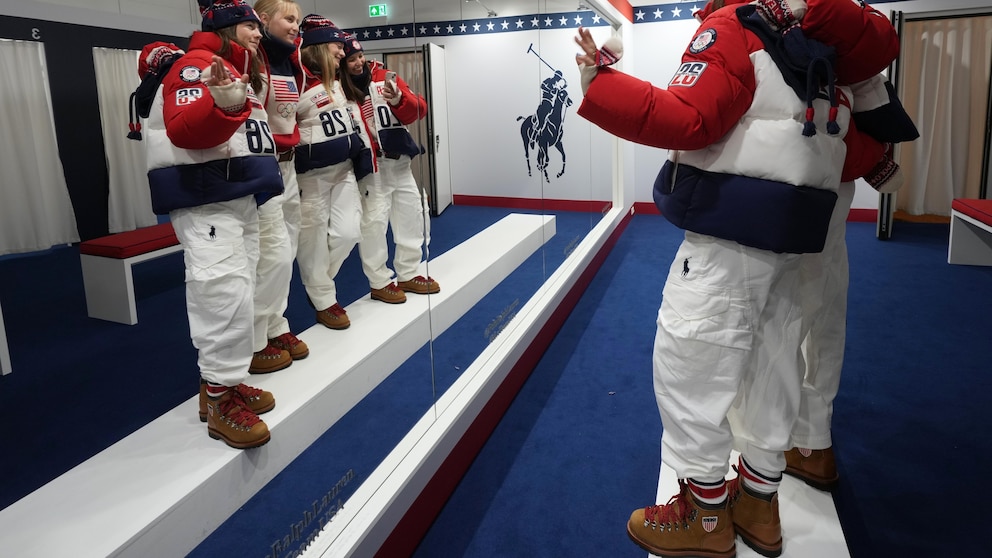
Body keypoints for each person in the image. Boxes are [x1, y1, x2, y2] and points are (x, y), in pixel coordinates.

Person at [574, 1, 899, 556]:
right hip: (795, 238)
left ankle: (703, 518)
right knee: (776, 364)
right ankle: (758, 503)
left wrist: (598, 83)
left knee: (691, 364)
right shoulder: (822, 49)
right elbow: (846, 153)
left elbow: (687, 119)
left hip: (728, 235)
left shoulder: (732, 26)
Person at [141, 0, 283, 449]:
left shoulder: (234, 67)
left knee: (241, 288)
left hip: (235, 192)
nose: (258, 33)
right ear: (225, 28)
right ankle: (221, 401)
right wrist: (222, 101)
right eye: (249, 25)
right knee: (222, 291)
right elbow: (185, 131)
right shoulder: (194, 66)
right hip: (204, 196)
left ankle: (222, 384)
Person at [338, 36, 439, 305]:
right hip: (373, 166)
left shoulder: (383, 76)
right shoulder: (338, 87)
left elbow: (419, 110)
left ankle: (408, 273)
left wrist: (398, 100)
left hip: (400, 161)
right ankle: (380, 282)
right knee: (374, 224)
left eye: (360, 56)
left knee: (412, 216)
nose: (358, 63)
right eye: (351, 59)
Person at [294, 15, 369, 330]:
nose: (342, 52)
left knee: (349, 233)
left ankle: (319, 281)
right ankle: (324, 299)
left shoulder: (337, 80)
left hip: (343, 170)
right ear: (318, 47)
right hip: (310, 176)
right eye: (336, 46)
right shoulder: (295, 80)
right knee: (311, 241)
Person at [246, 0, 308, 374]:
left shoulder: (291, 60)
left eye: (297, 19)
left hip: (289, 166)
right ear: (264, 20)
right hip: (262, 168)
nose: (295, 25)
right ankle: (253, 340)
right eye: (289, 19)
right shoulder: (250, 58)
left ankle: (274, 325)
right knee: (273, 256)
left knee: (289, 250)